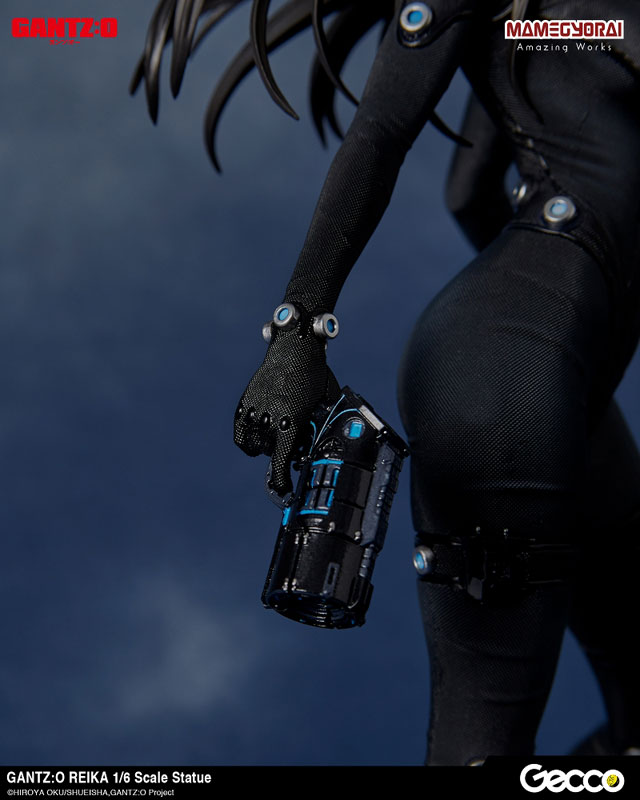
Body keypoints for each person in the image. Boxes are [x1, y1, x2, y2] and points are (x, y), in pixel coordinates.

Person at [133, 0, 640, 764]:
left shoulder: (533, 26)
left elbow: (466, 192)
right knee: (484, 747)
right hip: (511, 374)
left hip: (551, 374)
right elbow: (378, 135)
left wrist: (556, 314)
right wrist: (296, 338)